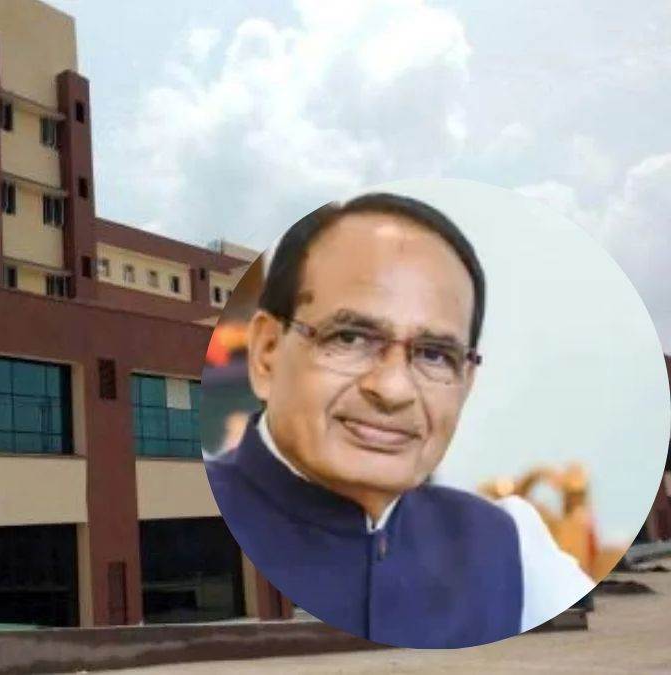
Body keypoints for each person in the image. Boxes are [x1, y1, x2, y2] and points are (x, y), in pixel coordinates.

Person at [205, 193, 595, 649]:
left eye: (434, 354)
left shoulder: (508, 544)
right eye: (349, 337)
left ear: (466, 382)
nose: (392, 390)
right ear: (267, 352)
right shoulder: (211, 513)